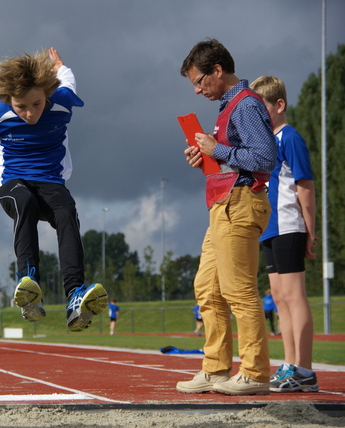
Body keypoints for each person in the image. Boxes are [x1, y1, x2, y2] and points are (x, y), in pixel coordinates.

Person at [0, 47, 108, 332]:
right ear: (9, 100)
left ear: (47, 95)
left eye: (37, 104)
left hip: (51, 182)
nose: (30, 113)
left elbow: (66, 79)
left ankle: (74, 295)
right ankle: (28, 284)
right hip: (13, 183)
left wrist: (59, 66)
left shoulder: (62, 102)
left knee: (67, 210)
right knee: (25, 202)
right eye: (21, 106)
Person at [175, 39, 277, 396]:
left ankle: (255, 373)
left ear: (218, 70)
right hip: (223, 203)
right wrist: (208, 158)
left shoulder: (245, 104)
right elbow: (239, 157)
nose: (197, 89)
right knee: (207, 287)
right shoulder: (229, 106)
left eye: (200, 81)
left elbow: (265, 157)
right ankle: (216, 368)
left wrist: (215, 149)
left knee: (239, 291)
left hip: (240, 203)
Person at [250, 75, 319, 393]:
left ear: (279, 105)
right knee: (279, 298)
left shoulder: (289, 137)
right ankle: (290, 364)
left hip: (290, 225)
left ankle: (304, 369)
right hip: (270, 229)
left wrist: (310, 230)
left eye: (263, 109)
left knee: (294, 296)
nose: (260, 118)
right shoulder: (267, 143)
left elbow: (305, 186)